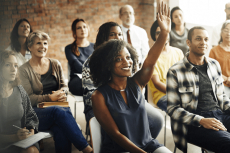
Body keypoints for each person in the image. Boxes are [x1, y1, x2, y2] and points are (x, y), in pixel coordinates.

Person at [89, 2, 172, 153]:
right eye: (118, 59)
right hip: (120, 149)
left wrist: (165, 32)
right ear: (108, 64)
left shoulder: (137, 82)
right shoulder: (98, 96)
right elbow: (116, 135)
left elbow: (150, 62)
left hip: (147, 144)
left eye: (128, 57)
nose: (126, 62)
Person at [82, 22, 164, 139]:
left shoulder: (128, 57)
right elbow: (90, 97)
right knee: (121, 127)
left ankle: (142, 143)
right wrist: (118, 106)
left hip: (128, 100)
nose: (117, 38)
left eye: (120, 34)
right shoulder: (90, 63)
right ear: (103, 38)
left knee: (156, 120)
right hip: (102, 105)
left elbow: (136, 83)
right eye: (113, 34)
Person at [19, 31, 92, 153]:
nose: (43, 46)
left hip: (57, 109)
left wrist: (62, 93)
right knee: (59, 112)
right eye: (38, 43)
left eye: (45, 43)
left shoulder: (55, 63)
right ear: (29, 47)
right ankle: (87, 149)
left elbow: (64, 86)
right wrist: (49, 98)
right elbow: (28, 99)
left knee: (61, 128)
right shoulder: (24, 70)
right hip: (35, 114)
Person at [167, 26, 230, 153]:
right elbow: (172, 109)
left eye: (206, 39)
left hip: (220, 114)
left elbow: (222, 97)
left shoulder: (214, 65)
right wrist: (201, 120)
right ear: (188, 42)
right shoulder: (175, 71)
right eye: (198, 39)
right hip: (194, 124)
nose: (203, 43)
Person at [0, 50, 39, 153]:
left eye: (16, 66)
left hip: (22, 140)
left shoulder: (20, 89)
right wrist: (14, 138)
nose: (13, 69)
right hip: (4, 144)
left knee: (32, 150)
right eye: (8, 65)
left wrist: (31, 131)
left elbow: (30, 115)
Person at [149, 20, 184, 112]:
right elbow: (157, 83)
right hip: (162, 96)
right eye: (158, 33)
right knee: (184, 112)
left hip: (181, 93)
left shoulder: (178, 52)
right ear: (154, 36)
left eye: (165, 32)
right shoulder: (151, 56)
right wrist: (177, 93)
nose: (162, 35)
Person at [65, 18, 94, 96]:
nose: (82, 29)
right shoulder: (69, 48)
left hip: (94, 78)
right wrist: (91, 74)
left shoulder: (95, 46)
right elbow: (75, 64)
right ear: (74, 32)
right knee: (89, 86)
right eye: (79, 28)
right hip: (77, 79)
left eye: (84, 27)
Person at [210, 20, 230, 99]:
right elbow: (211, 70)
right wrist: (226, 79)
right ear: (221, 33)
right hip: (221, 84)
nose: (228, 33)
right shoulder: (214, 50)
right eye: (226, 30)